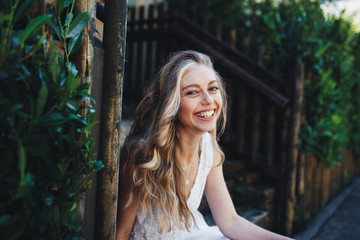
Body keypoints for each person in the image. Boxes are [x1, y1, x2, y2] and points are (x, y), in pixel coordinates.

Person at [116, 50, 294, 240]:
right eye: (192, 92)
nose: (208, 101)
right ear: (172, 103)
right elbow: (121, 233)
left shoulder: (208, 148)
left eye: (213, 88)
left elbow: (230, 221)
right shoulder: (143, 155)